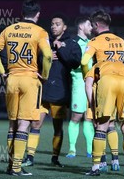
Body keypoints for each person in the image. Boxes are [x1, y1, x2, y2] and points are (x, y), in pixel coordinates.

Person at [0, 0, 53, 176]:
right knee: (24, 124)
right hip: (30, 80)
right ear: (38, 15)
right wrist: (45, 75)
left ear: (22, 13)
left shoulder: (9, 29)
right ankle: (16, 166)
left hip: (12, 79)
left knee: (13, 124)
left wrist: (3, 72)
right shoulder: (39, 31)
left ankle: (11, 164)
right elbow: (47, 56)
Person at [23, 13, 81, 168]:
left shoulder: (71, 43)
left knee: (57, 126)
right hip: (42, 88)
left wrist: (60, 50)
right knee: (35, 123)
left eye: (57, 24)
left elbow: (75, 63)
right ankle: (30, 156)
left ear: (64, 27)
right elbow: (34, 59)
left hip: (60, 91)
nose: (54, 26)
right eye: (52, 24)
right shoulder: (43, 41)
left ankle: (55, 158)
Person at [80, 9, 124, 172]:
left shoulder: (94, 41)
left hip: (102, 84)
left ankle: (98, 164)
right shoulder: (121, 41)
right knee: (112, 124)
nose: (91, 28)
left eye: (92, 25)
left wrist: (89, 76)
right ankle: (115, 161)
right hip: (121, 83)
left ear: (97, 24)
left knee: (99, 124)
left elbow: (84, 61)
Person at [84, 60, 124, 176]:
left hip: (107, 81)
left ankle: (95, 168)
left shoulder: (97, 64)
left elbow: (88, 84)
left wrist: (93, 108)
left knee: (102, 125)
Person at [67, 16, 95, 159]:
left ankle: (90, 150)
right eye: (89, 25)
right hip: (79, 83)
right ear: (81, 26)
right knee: (76, 116)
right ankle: (72, 149)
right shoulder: (72, 43)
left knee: (89, 118)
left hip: (92, 83)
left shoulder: (93, 43)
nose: (92, 28)